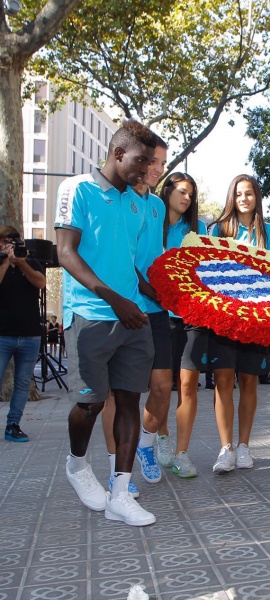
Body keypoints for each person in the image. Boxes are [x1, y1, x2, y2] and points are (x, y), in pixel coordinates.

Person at [55, 120, 157, 526]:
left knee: (131, 399)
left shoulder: (135, 203)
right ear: (118, 154)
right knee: (92, 401)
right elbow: (65, 252)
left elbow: (126, 260)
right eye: (141, 161)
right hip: (90, 314)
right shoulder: (77, 189)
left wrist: (154, 293)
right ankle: (77, 465)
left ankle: (120, 492)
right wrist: (113, 298)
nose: (147, 169)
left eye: (151, 163)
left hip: (132, 316)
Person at [98, 136, 167, 499]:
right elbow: (123, 261)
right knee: (115, 395)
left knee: (160, 387)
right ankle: (115, 471)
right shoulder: (113, 198)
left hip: (154, 311)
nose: (156, 169)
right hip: (119, 308)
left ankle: (145, 445)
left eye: (161, 164)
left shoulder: (156, 205)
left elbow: (157, 262)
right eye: (153, 161)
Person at [207, 175, 270, 474]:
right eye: (239, 194)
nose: (244, 198)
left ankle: (245, 446)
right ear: (232, 198)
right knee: (223, 381)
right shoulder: (217, 229)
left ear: (256, 197)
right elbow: (209, 271)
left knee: (249, 381)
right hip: (223, 318)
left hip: (256, 320)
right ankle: (226, 448)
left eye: (249, 193)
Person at [162, 172, 208, 478]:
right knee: (162, 386)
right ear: (167, 191)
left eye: (190, 194)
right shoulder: (152, 219)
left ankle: (182, 453)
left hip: (194, 317)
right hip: (160, 315)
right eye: (181, 191)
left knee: (188, 385)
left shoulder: (199, 228)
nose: (186, 198)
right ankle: (161, 438)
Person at [0, 226, 46, 443]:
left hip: (29, 335)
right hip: (3, 334)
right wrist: (6, 263)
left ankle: (13, 425)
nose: (10, 245)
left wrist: (21, 263)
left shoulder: (31, 263)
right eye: (5, 241)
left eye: (14, 241)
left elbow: (40, 282)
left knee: (22, 383)